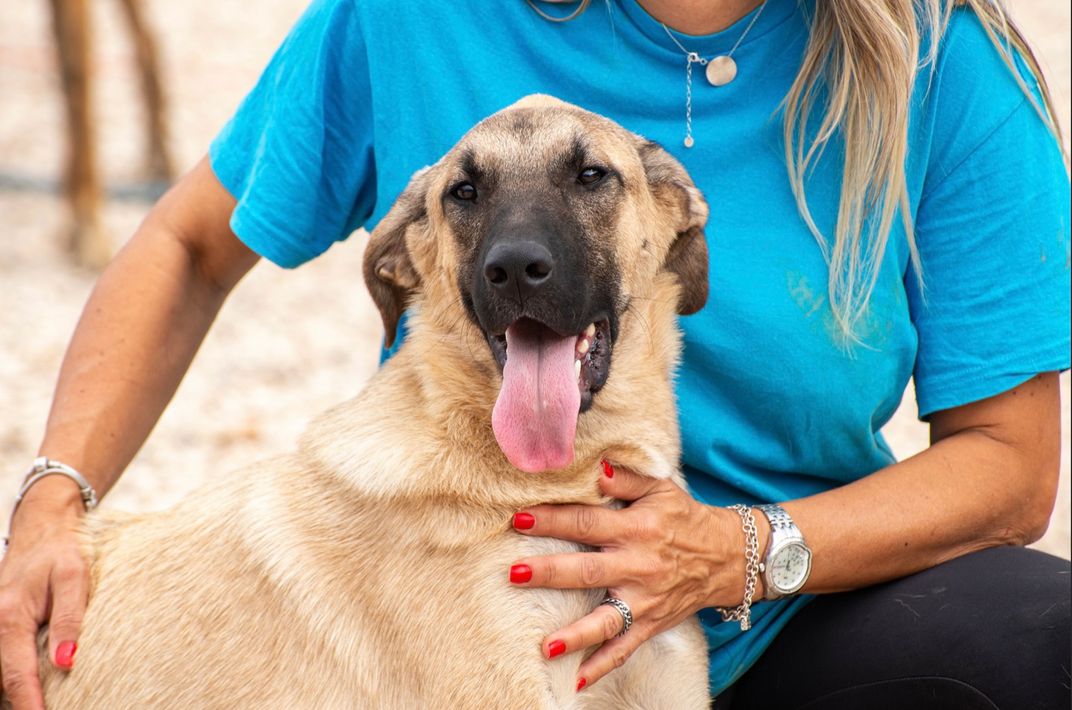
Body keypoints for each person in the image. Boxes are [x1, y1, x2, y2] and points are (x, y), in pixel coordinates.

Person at [1, 0, 1069, 707]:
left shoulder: (943, 61)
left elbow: (1011, 464)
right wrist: (54, 496)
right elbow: (190, 244)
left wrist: (737, 550)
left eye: (589, 181)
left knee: (1040, 647)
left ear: (675, 233)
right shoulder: (413, 18)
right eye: (471, 200)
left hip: (799, 591)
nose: (517, 250)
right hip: (468, 556)